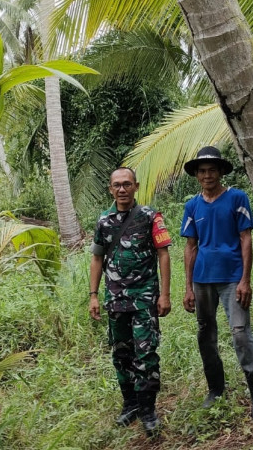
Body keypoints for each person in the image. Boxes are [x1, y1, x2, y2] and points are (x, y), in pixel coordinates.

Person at [180, 146, 253, 422]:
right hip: (202, 279)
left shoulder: (236, 198)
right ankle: (215, 389)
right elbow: (190, 246)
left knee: (241, 333)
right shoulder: (192, 206)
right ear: (197, 175)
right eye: (202, 171)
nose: (207, 175)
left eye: (212, 170)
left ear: (220, 172)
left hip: (232, 278)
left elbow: (246, 238)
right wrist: (187, 287)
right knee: (206, 333)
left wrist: (245, 279)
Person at [89, 167, 172, 436]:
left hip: (144, 298)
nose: (122, 189)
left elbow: (163, 255)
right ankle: (131, 404)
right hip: (115, 300)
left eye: (127, 184)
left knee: (146, 354)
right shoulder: (103, 221)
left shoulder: (150, 217)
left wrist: (165, 294)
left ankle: (148, 410)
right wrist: (93, 296)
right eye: (117, 185)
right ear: (110, 189)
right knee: (121, 353)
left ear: (136, 186)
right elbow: (97, 259)